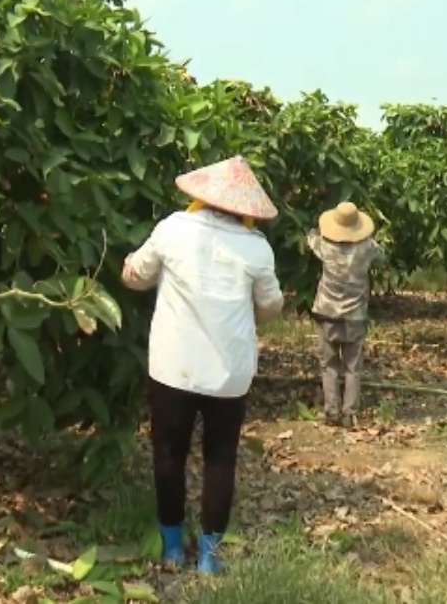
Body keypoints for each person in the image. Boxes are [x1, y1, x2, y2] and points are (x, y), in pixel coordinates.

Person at [121, 155, 285, 574]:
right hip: (229, 373)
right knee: (220, 457)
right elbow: (270, 306)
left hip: (173, 366)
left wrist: (133, 269)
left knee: (168, 453)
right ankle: (210, 557)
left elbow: (135, 275)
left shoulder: (173, 229)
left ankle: (172, 548)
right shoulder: (256, 247)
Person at [306, 201, 385, 429]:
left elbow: (310, 237)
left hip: (327, 312)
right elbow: (381, 257)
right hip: (355, 315)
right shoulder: (367, 248)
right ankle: (349, 413)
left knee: (328, 364)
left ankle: (331, 411)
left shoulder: (324, 245)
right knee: (353, 367)